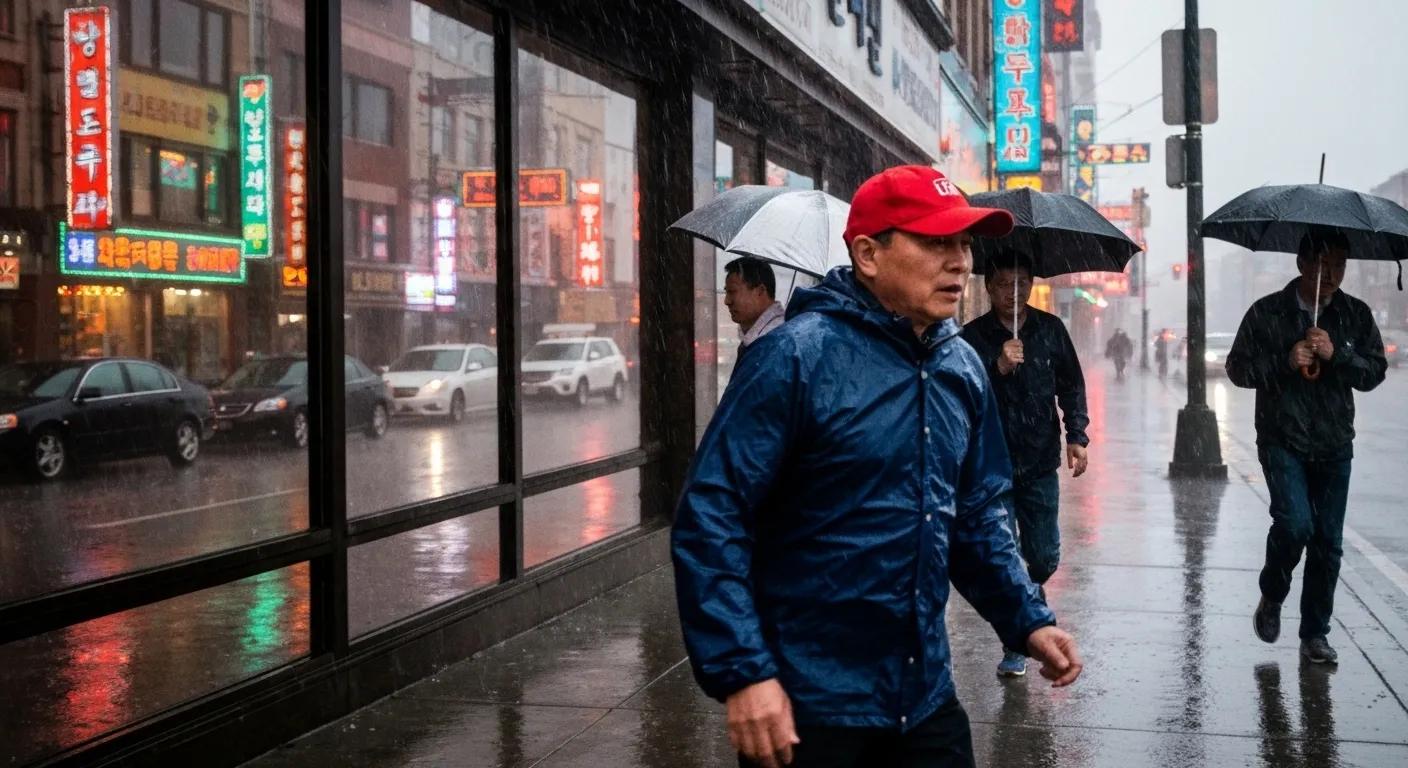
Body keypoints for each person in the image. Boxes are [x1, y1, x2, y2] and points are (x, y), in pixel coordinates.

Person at [673, 166, 1083, 768]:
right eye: (936, 242)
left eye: (965, 244)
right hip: (807, 705)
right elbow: (712, 517)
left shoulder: (961, 369)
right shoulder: (795, 358)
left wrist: (1025, 618)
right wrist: (743, 672)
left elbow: (975, 516)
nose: (960, 262)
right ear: (867, 253)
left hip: (923, 699)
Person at [1228, 230, 1386, 665]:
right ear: (1301, 264)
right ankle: (1273, 593)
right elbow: (1238, 369)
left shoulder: (1355, 314)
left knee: (1327, 543)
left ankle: (1314, 633)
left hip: (1335, 443)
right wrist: (1285, 360)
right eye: (1321, 263)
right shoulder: (1268, 312)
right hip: (1282, 439)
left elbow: (1374, 372)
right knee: (1295, 524)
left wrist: (1338, 356)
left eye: (1338, 265)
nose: (1330, 274)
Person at [961, 251, 1090, 678]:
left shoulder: (1050, 330)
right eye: (1003, 284)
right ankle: (1019, 637)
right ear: (988, 287)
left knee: (1044, 557)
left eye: (1021, 283)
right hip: (991, 465)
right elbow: (960, 394)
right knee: (1006, 553)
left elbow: (1071, 385)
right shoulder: (971, 338)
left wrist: (1077, 436)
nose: (1013, 293)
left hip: (1038, 460)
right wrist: (995, 367)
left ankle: (1026, 599)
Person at [725, 256, 785, 365]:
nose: (727, 301)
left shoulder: (774, 343)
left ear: (760, 291)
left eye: (732, 291)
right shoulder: (755, 339)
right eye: (726, 292)